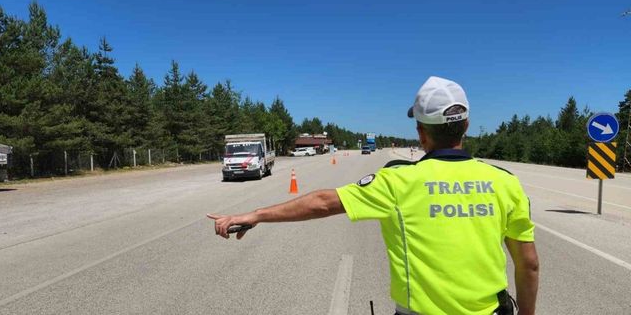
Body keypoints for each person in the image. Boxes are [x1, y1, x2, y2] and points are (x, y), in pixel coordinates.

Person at [208, 76, 539, 315]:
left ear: (421, 132)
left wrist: (254, 215)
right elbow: (529, 264)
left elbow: (322, 203)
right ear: (466, 125)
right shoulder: (505, 183)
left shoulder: (397, 181)